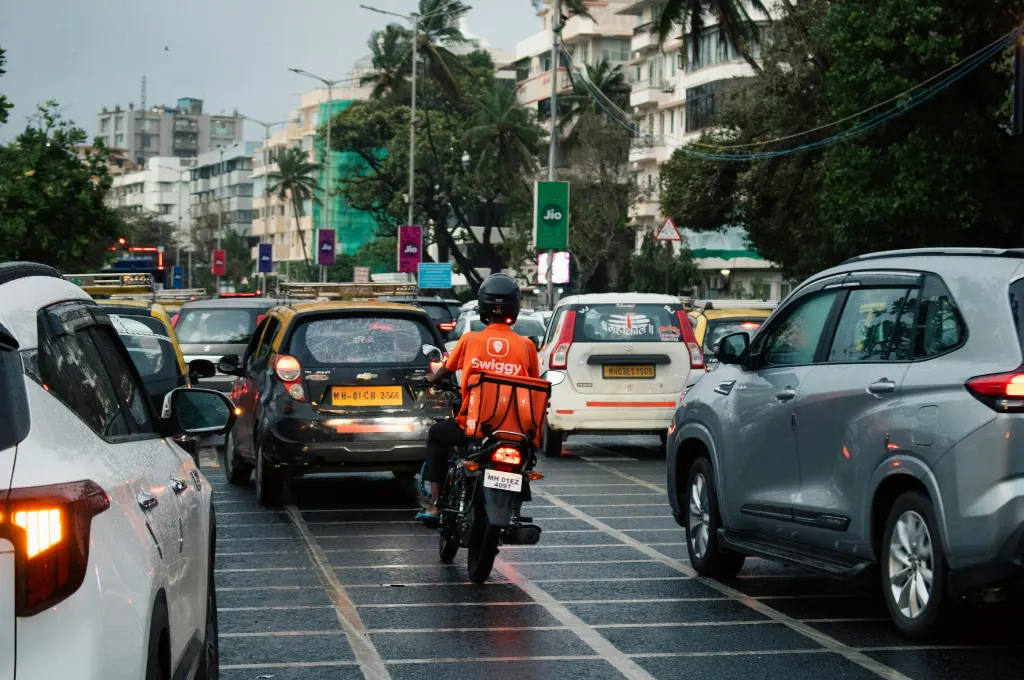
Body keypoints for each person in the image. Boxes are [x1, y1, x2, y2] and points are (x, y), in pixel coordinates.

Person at [416, 273, 540, 522]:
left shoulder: (470, 339)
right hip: (514, 430)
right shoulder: (527, 345)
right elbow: (535, 385)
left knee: (437, 435)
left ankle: (435, 505)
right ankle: (516, 510)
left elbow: (446, 370)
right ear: (515, 308)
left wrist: (431, 380)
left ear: (482, 306)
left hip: (474, 427)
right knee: (524, 456)